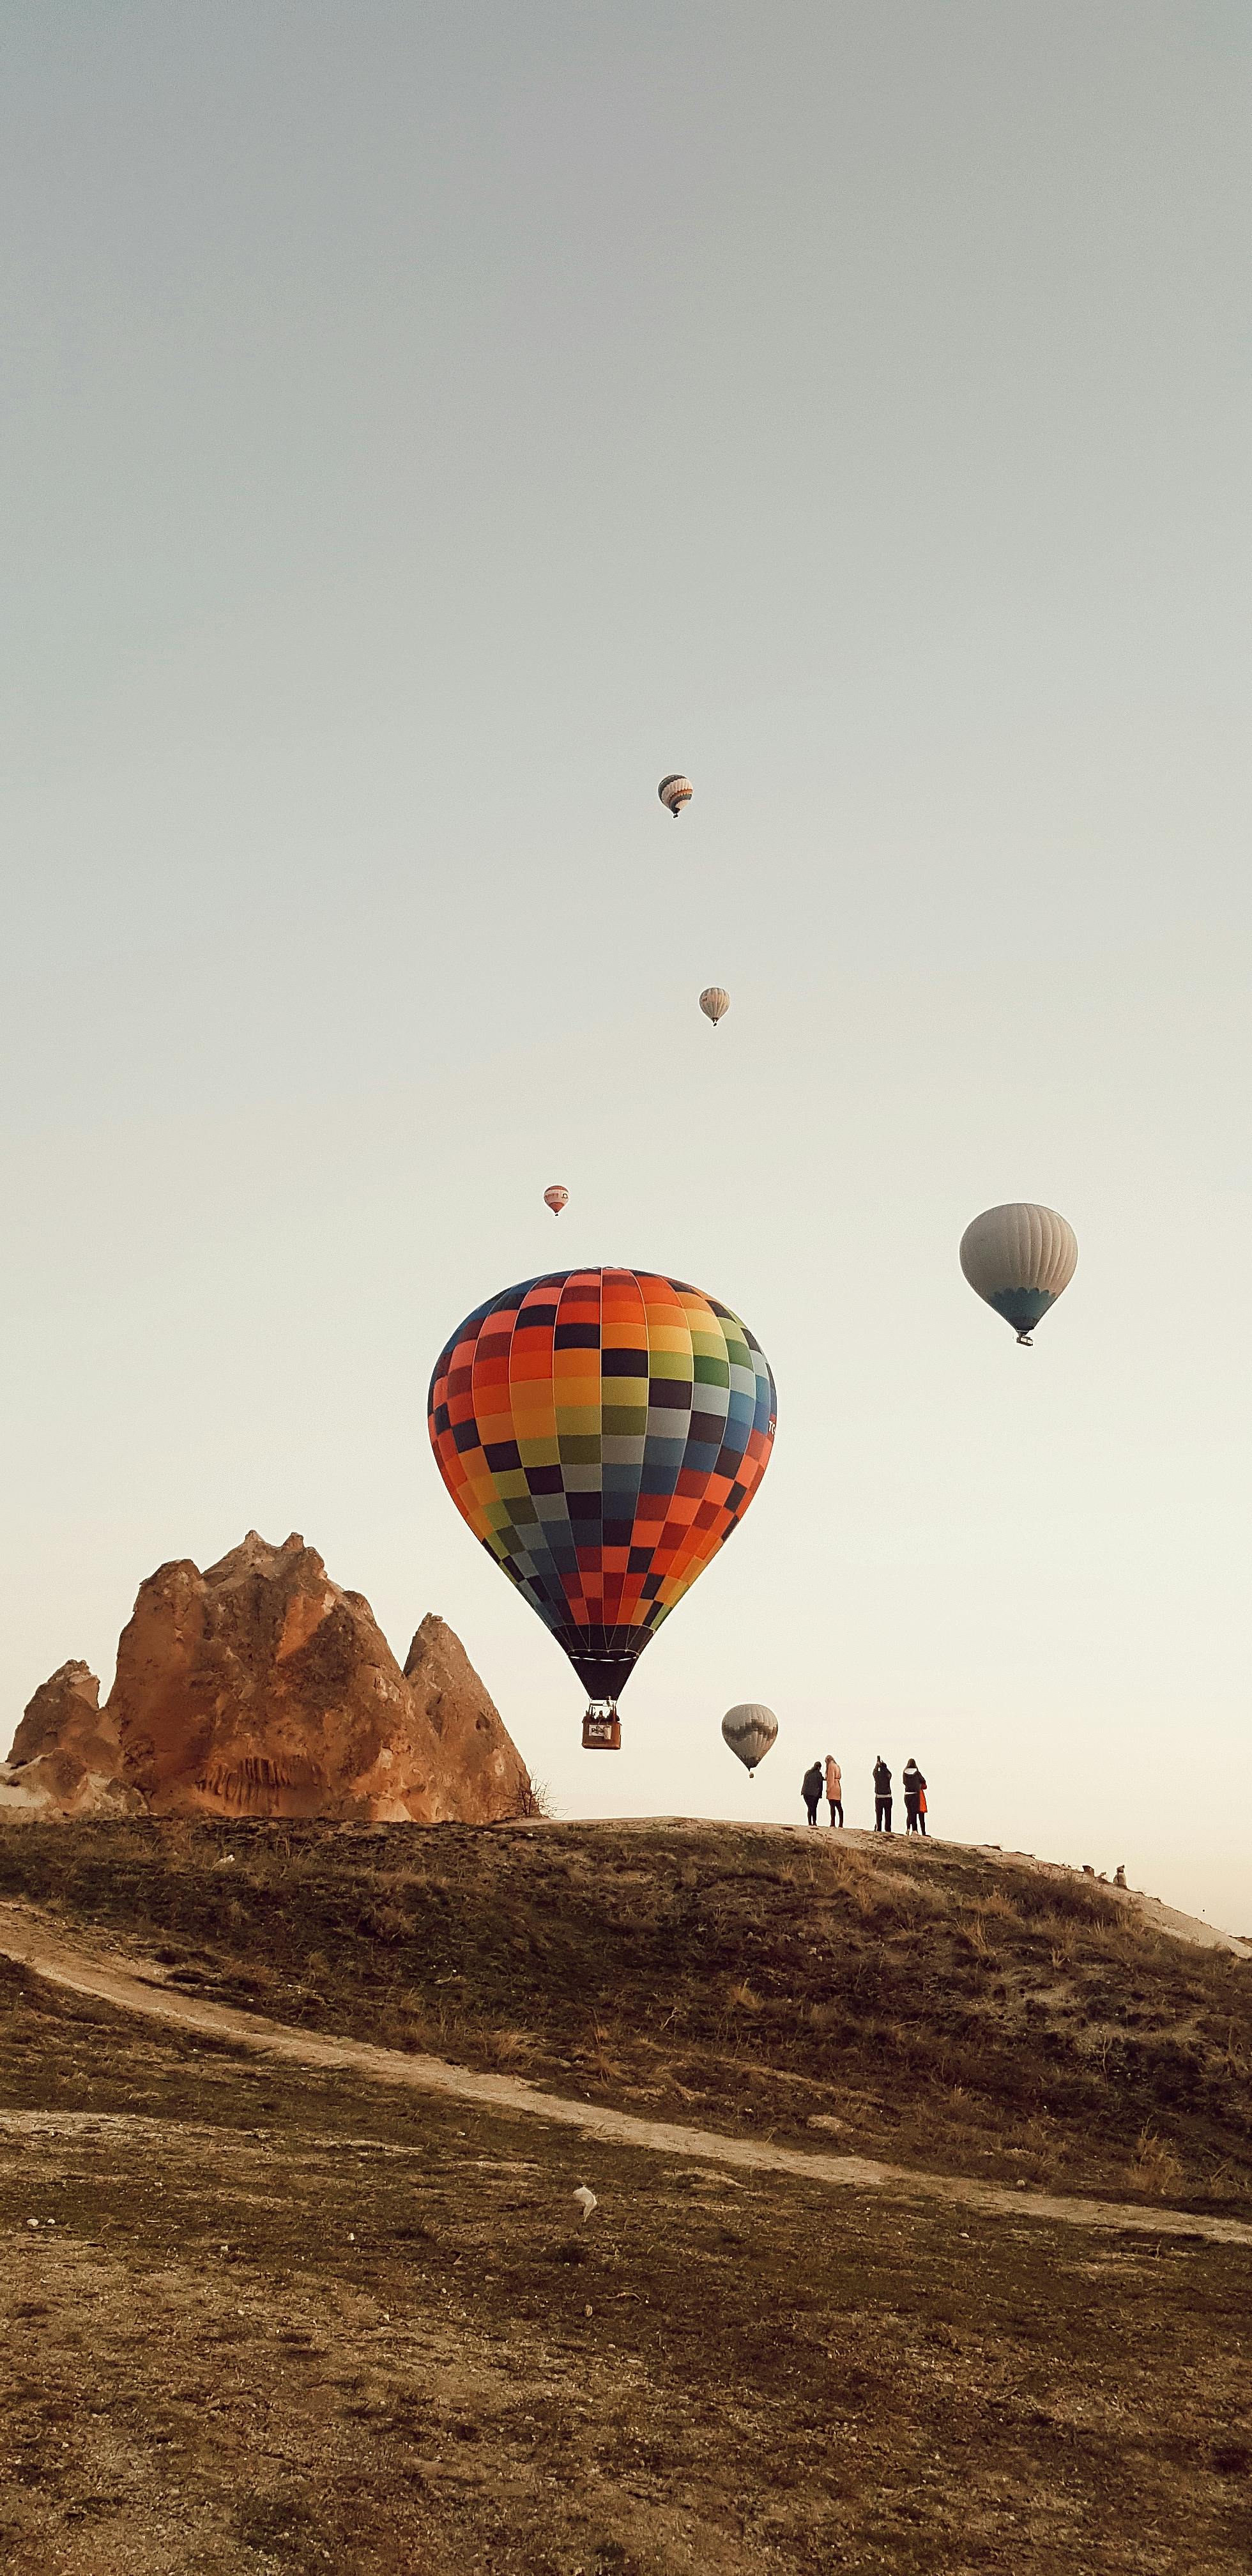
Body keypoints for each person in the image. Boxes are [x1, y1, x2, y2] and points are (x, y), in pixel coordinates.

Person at [903, 1756, 928, 1835]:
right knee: (914, 1813)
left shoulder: (904, 1772)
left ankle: (908, 1829)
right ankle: (915, 1831)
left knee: (910, 1813)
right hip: (915, 1794)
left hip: (907, 1794)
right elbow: (924, 1781)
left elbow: (904, 1782)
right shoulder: (917, 1772)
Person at [873, 1756, 892, 1833]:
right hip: (888, 1797)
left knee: (879, 1814)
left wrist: (877, 1765)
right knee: (888, 1814)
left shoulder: (877, 1776)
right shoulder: (888, 1776)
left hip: (879, 1797)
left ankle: (879, 1829)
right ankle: (888, 1829)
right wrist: (883, 1766)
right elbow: (890, 1773)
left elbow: (874, 1772)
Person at [802, 1760, 823, 1826]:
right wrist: (820, 1795)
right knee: (814, 1808)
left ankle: (809, 1823)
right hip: (814, 1794)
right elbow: (820, 1785)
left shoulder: (808, 1772)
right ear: (819, 1767)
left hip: (806, 1793)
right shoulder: (819, 1774)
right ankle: (814, 1823)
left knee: (810, 1808)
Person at [825, 1753, 843, 1827]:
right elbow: (840, 1776)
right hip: (838, 1786)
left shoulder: (831, 1766)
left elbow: (831, 1779)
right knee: (839, 1806)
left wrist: (828, 1789)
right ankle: (841, 1823)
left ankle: (833, 1823)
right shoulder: (837, 1766)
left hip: (833, 1788)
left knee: (832, 1806)